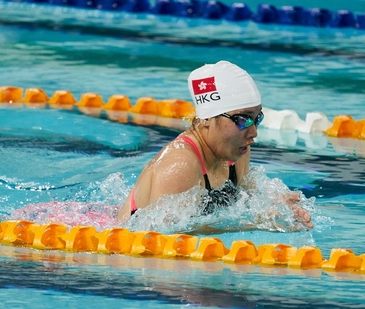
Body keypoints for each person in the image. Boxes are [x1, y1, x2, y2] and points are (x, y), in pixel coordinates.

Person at [117, 60, 312, 229]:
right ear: (207, 118)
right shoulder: (179, 165)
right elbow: (166, 233)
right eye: (243, 119)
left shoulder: (237, 151)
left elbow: (245, 196)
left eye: (257, 118)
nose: (253, 132)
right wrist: (256, 224)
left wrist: (275, 203)